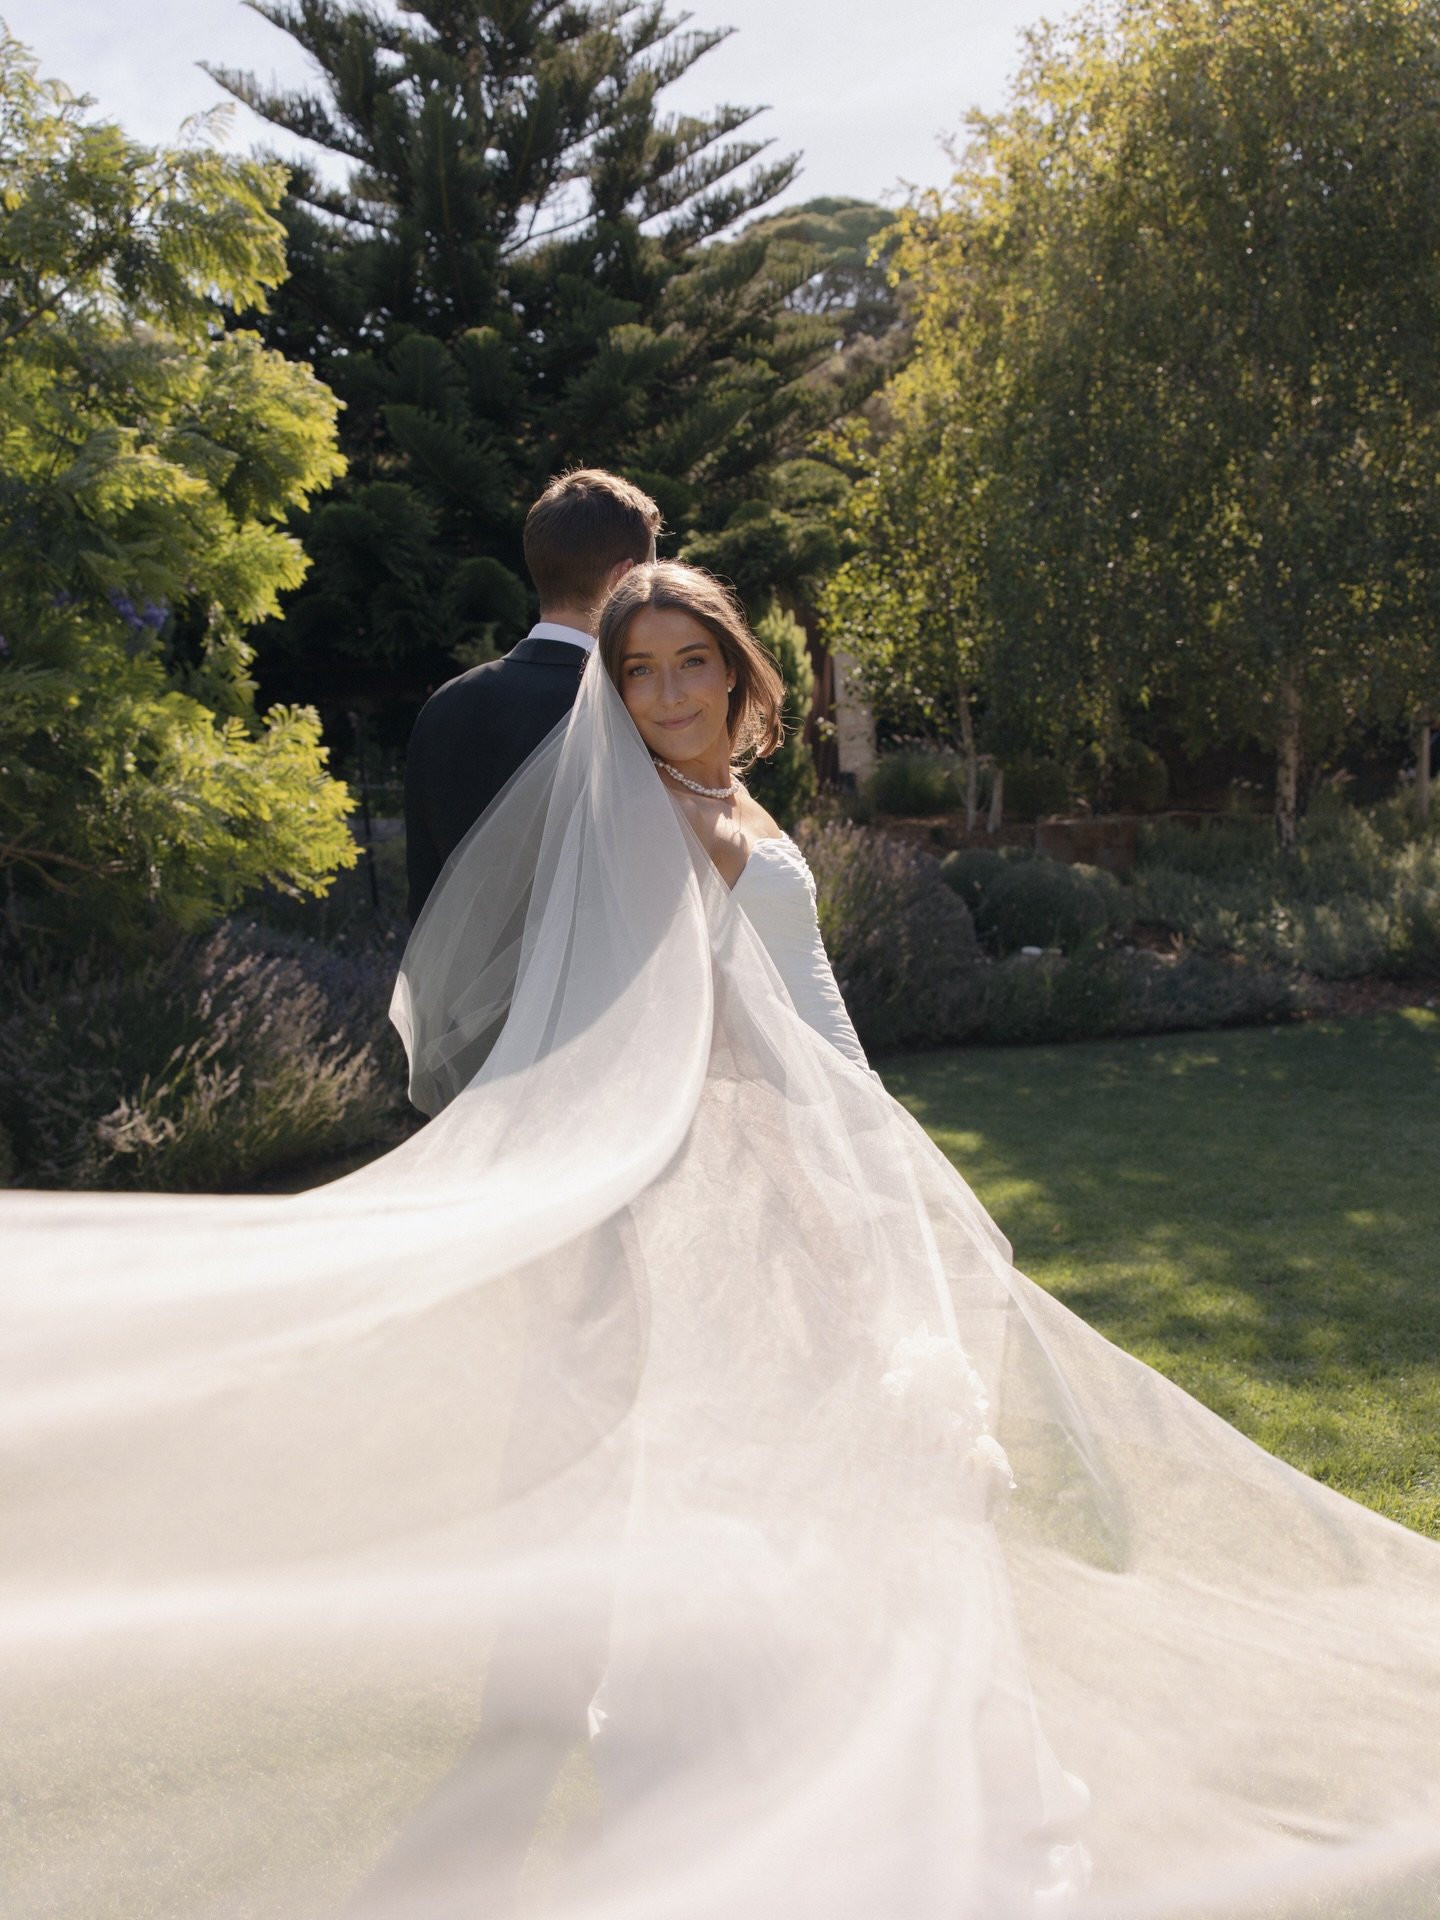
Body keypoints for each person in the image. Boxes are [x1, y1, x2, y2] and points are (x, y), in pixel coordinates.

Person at [5, 566, 1440, 1920]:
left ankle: (899, 1750)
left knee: (889, 1484)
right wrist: (795, 1189)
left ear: (740, 673)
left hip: (857, 1162)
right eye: (643, 672)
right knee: (819, 1472)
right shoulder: (644, 830)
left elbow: (811, 1012)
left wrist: (866, 1170)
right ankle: (806, 1773)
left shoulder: (730, 799)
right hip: (772, 1204)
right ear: (614, 694)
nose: (674, 692)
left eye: (696, 662)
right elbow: (648, 1038)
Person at [403, 467, 661, 921]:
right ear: (625, 579)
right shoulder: (631, 710)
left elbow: (425, 894)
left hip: (459, 992)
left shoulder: (443, 705)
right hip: (593, 989)